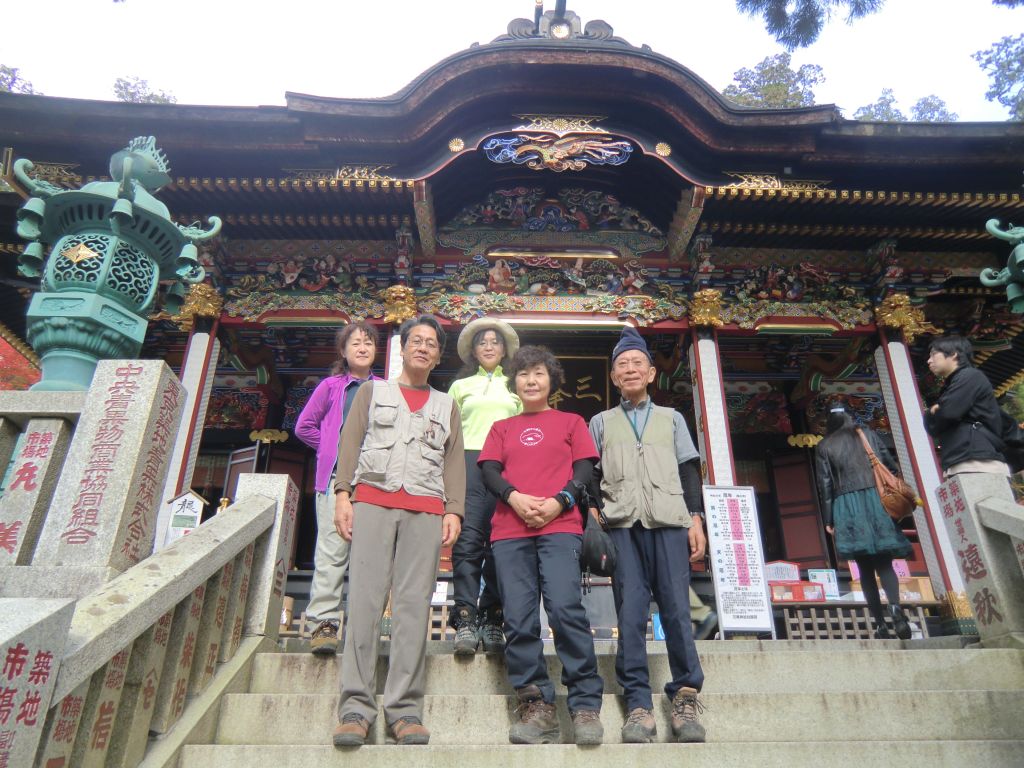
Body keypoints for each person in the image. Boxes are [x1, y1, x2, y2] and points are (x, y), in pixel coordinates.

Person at [331, 314, 465, 748]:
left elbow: (454, 461)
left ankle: (405, 710)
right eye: (417, 341)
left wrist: (454, 511)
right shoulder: (373, 391)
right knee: (365, 603)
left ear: (438, 355)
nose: (423, 348)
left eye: (432, 343)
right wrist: (342, 494)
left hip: (426, 509)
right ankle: (355, 707)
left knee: (413, 609)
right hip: (373, 500)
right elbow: (349, 442)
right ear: (403, 348)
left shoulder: (446, 404)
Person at [478, 345, 605, 746]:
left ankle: (584, 703)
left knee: (566, 609)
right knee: (518, 618)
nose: (531, 381)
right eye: (523, 374)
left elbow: (585, 467)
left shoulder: (571, 421)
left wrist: (559, 502)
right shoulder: (502, 427)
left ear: (552, 381)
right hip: (510, 530)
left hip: (561, 526)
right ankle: (536, 705)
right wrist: (514, 497)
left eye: (538, 374)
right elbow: (489, 471)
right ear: (513, 382)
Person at [587, 326, 707, 744]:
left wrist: (696, 517)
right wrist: (592, 512)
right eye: (623, 365)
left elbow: (689, 468)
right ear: (615, 377)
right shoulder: (601, 422)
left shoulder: (671, 418)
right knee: (630, 612)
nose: (631, 370)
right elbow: (591, 474)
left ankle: (686, 693)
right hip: (622, 526)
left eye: (638, 363)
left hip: (669, 522)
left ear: (651, 373)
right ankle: (637, 701)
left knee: (676, 608)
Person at [294, 322, 380, 655]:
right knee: (332, 552)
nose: (362, 348)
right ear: (343, 351)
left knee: (368, 556)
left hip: (373, 481)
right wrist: (333, 447)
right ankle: (323, 624)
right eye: (355, 343)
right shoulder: (331, 387)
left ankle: (363, 625)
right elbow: (304, 427)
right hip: (333, 480)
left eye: (368, 343)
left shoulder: (384, 389)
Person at [447, 317, 522, 655]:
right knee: (467, 542)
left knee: (501, 544)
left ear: (504, 349)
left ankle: (493, 617)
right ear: (473, 351)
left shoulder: (515, 385)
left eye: (495, 341)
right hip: (467, 464)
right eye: (483, 342)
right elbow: (446, 436)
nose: (489, 346)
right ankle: (465, 617)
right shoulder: (460, 388)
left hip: (507, 467)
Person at [816, 406, 913, 640]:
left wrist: (828, 519)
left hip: (847, 504)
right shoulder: (867, 433)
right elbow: (890, 465)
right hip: (875, 500)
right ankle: (896, 607)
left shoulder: (825, 446)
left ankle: (880, 624)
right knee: (885, 563)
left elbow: (825, 486)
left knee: (865, 569)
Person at [924, 335, 1011, 477]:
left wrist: (937, 411)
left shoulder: (970, 376)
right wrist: (933, 412)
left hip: (977, 459)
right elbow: (933, 426)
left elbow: (948, 412)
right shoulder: (954, 383)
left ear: (953, 354)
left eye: (933, 355)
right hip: (961, 459)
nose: (929, 360)